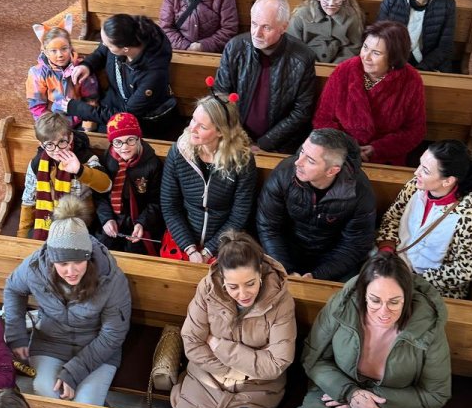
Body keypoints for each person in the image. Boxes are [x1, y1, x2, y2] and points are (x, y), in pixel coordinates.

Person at [286, 251, 452, 408]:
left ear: (407, 298)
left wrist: (374, 400)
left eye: (394, 302)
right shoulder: (342, 306)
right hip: (335, 390)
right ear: (363, 294)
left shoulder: (428, 326)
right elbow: (313, 358)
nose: (384, 312)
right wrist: (350, 393)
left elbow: (436, 393)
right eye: (375, 300)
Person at [2, 195, 132, 406]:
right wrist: (16, 334)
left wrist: (73, 372)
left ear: (88, 256)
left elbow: (112, 334)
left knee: (86, 404)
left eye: (78, 262)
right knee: (46, 390)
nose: (71, 271)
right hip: (50, 342)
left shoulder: (111, 278)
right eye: (62, 264)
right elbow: (13, 289)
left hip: (96, 346)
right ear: (52, 260)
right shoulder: (35, 267)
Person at [172, 230, 296, 408]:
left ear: (260, 273)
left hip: (256, 388)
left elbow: (276, 363)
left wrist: (218, 345)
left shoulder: (281, 301)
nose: (243, 294)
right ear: (222, 278)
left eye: (250, 284)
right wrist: (239, 370)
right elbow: (192, 342)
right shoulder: (207, 289)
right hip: (207, 378)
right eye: (233, 287)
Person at [377, 141, 472, 299]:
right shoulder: (415, 186)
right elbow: (392, 217)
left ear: (448, 180)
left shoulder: (470, 215)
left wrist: (413, 280)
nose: (416, 173)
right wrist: (386, 251)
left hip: (431, 287)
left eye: (425, 170)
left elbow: (467, 269)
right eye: (420, 164)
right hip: (394, 264)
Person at [257, 128, 377, 280]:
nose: (298, 162)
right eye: (302, 152)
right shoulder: (283, 174)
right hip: (286, 251)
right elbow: (268, 227)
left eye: (310, 160)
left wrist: (317, 276)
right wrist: (286, 269)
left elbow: (355, 245)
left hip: (333, 258)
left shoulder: (359, 192)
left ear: (332, 171)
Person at [215, 0, 317, 155]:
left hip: (280, 144)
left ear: (284, 27)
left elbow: (301, 112)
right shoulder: (235, 47)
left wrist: (265, 143)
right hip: (233, 136)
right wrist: (238, 137)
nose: (256, 33)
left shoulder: (303, 57)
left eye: (266, 27)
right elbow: (221, 96)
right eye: (254, 24)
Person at [159, 92, 256, 263]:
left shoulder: (242, 161)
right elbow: (170, 206)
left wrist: (208, 251)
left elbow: (239, 215)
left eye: (202, 127)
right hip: (183, 235)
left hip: (224, 239)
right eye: (193, 119)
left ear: (221, 132)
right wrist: (189, 248)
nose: (192, 128)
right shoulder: (179, 152)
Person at [312, 21, 426, 166]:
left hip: (385, 159)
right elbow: (322, 118)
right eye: (365, 47)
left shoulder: (411, 79)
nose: (366, 57)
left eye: (376, 53)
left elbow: (415, 130)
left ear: (393, 57)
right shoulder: (344, 70)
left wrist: (377, 149)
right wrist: (348, 147)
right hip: (339, 153)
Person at [64, 14, 178, 139]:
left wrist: (79, 108)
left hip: (142, 119)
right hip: (115, 99)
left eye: (109, 45)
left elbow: (127, 114)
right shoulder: (124, 33)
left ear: (125, 49)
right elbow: (102, 51)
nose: (104, 45)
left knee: (103, 141)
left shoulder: (153, 75)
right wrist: (87, 65)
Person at [17, 111, 110, 239]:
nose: (57, 150)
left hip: (80, 222)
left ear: (70, 138)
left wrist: (80, 170)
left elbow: (106, 186)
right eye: (50, 144)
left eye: (61, 142)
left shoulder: (85, 158)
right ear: (42, 145)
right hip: (49, 219)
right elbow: (28, 200)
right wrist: (21, 236)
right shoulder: (37, 163)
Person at [93, 112, 164, 256]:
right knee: (101, 251)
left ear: (139, 138)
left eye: (130, 140)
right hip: (113, 218)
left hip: (140, 219)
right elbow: (100, 194)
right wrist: (107, 219)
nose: (124, 147)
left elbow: (156, 201)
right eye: (118, 142)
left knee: (136, 252)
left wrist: (141, 223)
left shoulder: (152, 164)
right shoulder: (108, 159)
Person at [378, 0, 456, 72]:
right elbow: (380, 36)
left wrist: (421, 69)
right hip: (395, 61)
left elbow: (445, 47)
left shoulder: (447, 4)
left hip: (428, 64)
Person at [25, 16, 99, 123]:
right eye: (53, 51)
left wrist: (79, 120)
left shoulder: (80, 68)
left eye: (64, 49)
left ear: (70, 47)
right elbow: (37, 106)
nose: (60, 55)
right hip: (53, 120)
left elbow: (91, 99)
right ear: (45, 52)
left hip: (80, 117)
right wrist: (51, 124)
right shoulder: (37, 73)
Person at [288, 0, 364, 63]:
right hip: (304, 63)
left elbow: (354, 46)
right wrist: (310, 63)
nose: (331, 3)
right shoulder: (302, 15)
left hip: (338, 65)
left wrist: (337, 65)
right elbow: (292, 45)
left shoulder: (352, 16)